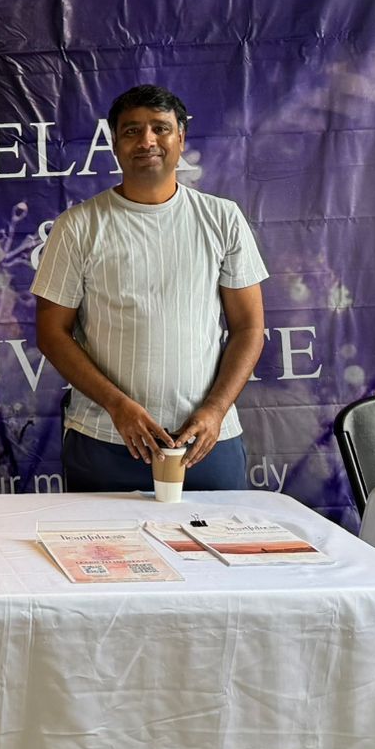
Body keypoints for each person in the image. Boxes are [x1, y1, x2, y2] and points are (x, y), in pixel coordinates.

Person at [32, 84, 268, 492]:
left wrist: (215, 410)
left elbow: (248, 328)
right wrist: (117, 406)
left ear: (181, 138)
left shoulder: (223, 218)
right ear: (114, 143)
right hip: (105, 440)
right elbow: (52, 333)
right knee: (98, 539)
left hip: (206, 442)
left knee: (218, 537)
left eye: (160, 128)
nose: (147, 141)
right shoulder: (77, 226)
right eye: (132, 131)